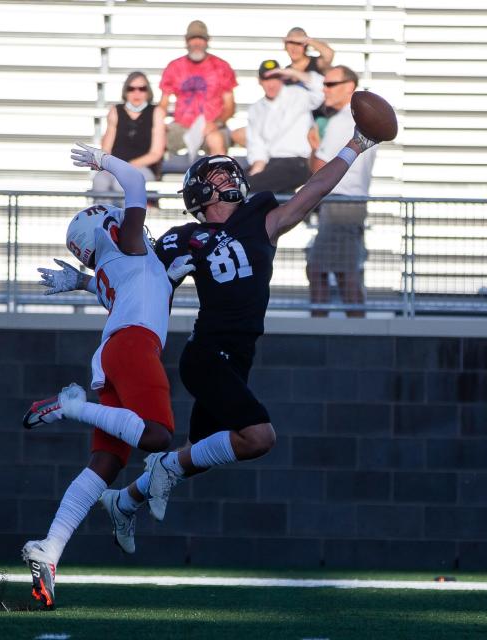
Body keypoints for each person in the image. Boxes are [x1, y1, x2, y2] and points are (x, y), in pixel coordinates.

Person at [97, 120, 381, 555]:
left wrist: (355, 145)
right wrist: (86, 282)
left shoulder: (259, 223)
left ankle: (125, 501)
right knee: (258, 437)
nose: (229, 176)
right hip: (207, 354)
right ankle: (163, 468)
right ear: (198, 193)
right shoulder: (183, 238)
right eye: (216, 175)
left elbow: (314, 191)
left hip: (238, 358)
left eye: (229, 172)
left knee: (198, 454)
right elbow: (136, 282)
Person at [19, 143, 188, 609]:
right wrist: (104, 162)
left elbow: (121, 281)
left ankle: (49, 550)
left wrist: (79, 281)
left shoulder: (115, 268)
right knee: (157, 437)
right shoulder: (129, 244)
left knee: (106, 465)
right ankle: (67, 407)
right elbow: (136, 181)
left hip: (112, 353)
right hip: (133, 347)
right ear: (107, 229)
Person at [305, 65, 377, 318]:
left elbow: (321, 170)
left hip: (341, 204)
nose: (325, 90)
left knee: (324, 271)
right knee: (341, 271)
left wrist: (313, 147)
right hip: (350, 204)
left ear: (349, 87)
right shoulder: (361, 121)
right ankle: (352, 327)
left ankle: (324, 327)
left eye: (330, 84)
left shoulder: (341, 121)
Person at [159, 20, 237, 158]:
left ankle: (219, 177)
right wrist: (159, 124)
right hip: (182, 126)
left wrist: (216, 123)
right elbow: (163, 104)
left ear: (207, 41)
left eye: (200, 39)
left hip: (211, 126)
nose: (196, 43)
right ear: (186, 41)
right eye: (193, 39)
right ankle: (150, 176)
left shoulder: (221, 66)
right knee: (156, 138)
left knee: (216, 140)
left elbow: (229, 106)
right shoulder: (174, 67)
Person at [244, 59, 324, 193]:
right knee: (234, 184)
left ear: (282, 78)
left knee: (248, 187)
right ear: (260, 81)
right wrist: (258, 164)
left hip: (297, 162)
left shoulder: (298, 95)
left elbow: (322, 88)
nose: (271, 84)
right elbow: (256, 143)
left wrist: (293, 72)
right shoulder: (256, 108)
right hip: (271, 163)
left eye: (275, 78)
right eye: (266, 79)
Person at [92, 71, 166, 197]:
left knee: (121, 183)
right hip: (115, 166)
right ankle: (103, 216)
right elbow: (106, 149)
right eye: (131, 89)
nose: (136, 93)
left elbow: (156, 153)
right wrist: (113, 166)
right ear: (125, 92)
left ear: (148, 92)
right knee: (100, 181)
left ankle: (126, 217)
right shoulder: (115, 111)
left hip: (143, 167)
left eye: (142, 89)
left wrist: (126, 167)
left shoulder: (156, 112)